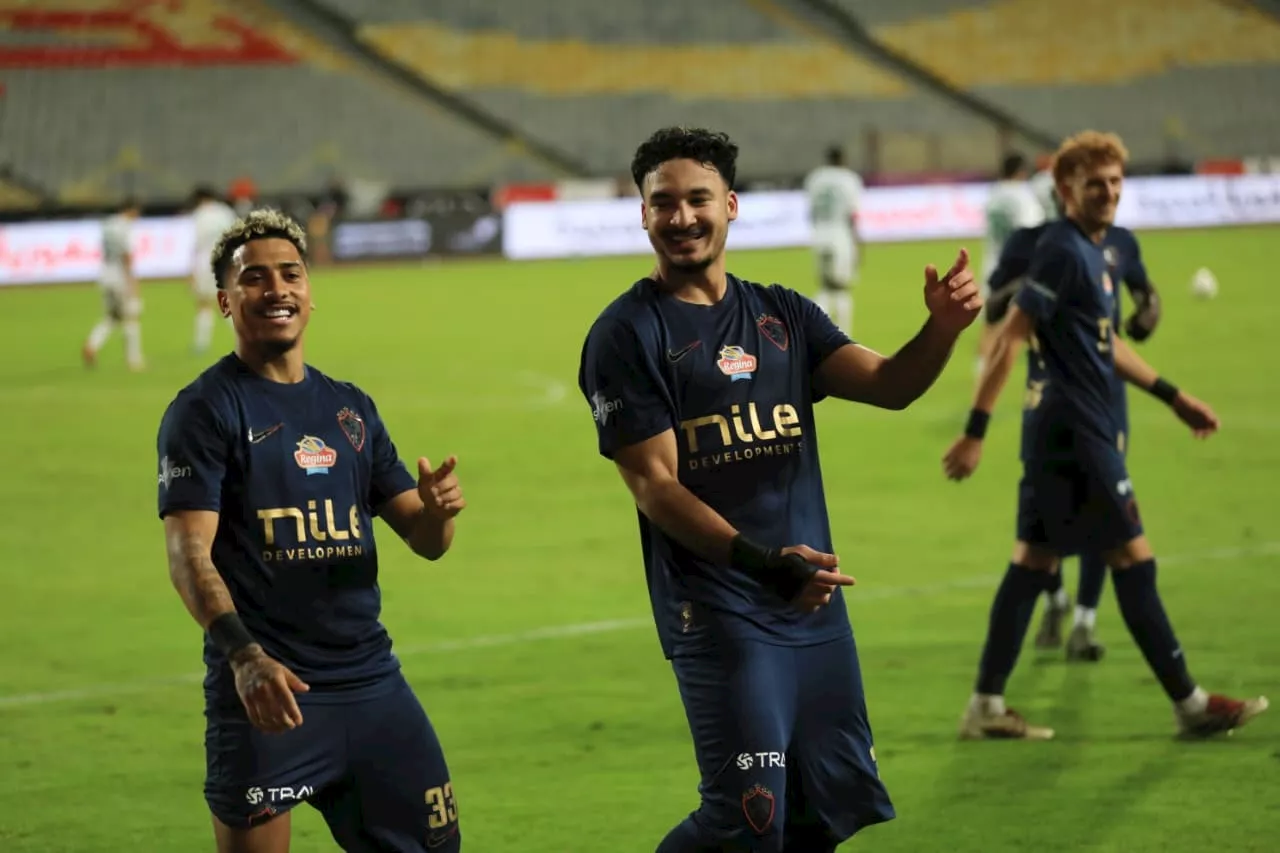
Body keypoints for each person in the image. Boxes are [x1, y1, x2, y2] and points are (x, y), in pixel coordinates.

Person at [578, 126, 983, 851]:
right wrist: (765, 563)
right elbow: (656, 486)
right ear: (642, 214)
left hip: (813, 603)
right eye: (663, 203)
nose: (681, 217)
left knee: (820, 816)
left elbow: (891, 385)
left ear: (730, 205)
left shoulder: (783, 314)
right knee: (746, 820)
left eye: (698, 199)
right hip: (723, 610)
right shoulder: (626, 334)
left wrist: (942, 329)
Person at [942, 130, 1268, 740]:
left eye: (1116, 182)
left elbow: (1105, 341)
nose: (1109, 193)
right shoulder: (1063, 251)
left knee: (1032, 561)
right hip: (1075, 432)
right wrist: (975, 430)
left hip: (1059, 433)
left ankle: (985, 704)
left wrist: (1174, 396)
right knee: (1132, 558)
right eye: (1095, 184)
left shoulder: (1094, 251)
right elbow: (1011, 338)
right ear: (1066, 189)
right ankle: (1191, 703)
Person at [156, 209, 465, 852]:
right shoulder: (206, 411)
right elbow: (189, 554)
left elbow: (425, 541)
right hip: (269, 694)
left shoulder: (349, 408)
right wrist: (244, 657)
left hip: (372, 683)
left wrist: (436, 513)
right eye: (254, 278)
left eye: (290, 274)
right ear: (225, 300)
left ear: (310, 292)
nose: (277, 289)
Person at [981, 198, 1164, 662]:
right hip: (1049, 396)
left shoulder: (1121, 242)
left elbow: (1147, 294)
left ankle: (1084, 620)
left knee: (1106, 511)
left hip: (1105, 396)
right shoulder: (1029, 244)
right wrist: (1035, 284)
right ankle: (1054, 598)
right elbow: (994, 307)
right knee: (1048, 512)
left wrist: (1147, 315)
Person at [976, 153, 1044, 378]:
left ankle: (981, 370)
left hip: (992, 265)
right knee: (1031, 321)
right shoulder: (1022, 197)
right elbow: (1031, 232)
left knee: (991, 323)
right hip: (1018, 270)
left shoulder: (993, 194)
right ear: (1021, 172)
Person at [802, 144, 864, 335]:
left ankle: (815, 330)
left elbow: (810, 212)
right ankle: (843, 335)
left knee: (825, 287)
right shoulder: (849, 179)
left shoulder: (815, 178)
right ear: (843, 159)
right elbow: (852, 215)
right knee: (841, 288)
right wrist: (857, 244)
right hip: (840, 237)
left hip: (819, 236)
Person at [83, 197, 144, 371]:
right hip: (120, 276)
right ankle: (133, 360)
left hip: (105, 275)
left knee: (113, 317)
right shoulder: (126, 228)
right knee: (131, 316)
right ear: (131, 210)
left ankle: (92, 343)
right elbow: (127, 255)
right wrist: (132, 281)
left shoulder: (108, 224)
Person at [189, 185, 239, 353]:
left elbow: (195, 244)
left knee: (204, 303)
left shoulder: (199, 215)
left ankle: (201, 343)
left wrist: (191, 271)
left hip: (205, 263)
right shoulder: (225, 212)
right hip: (224, 262)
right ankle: (243, 337)